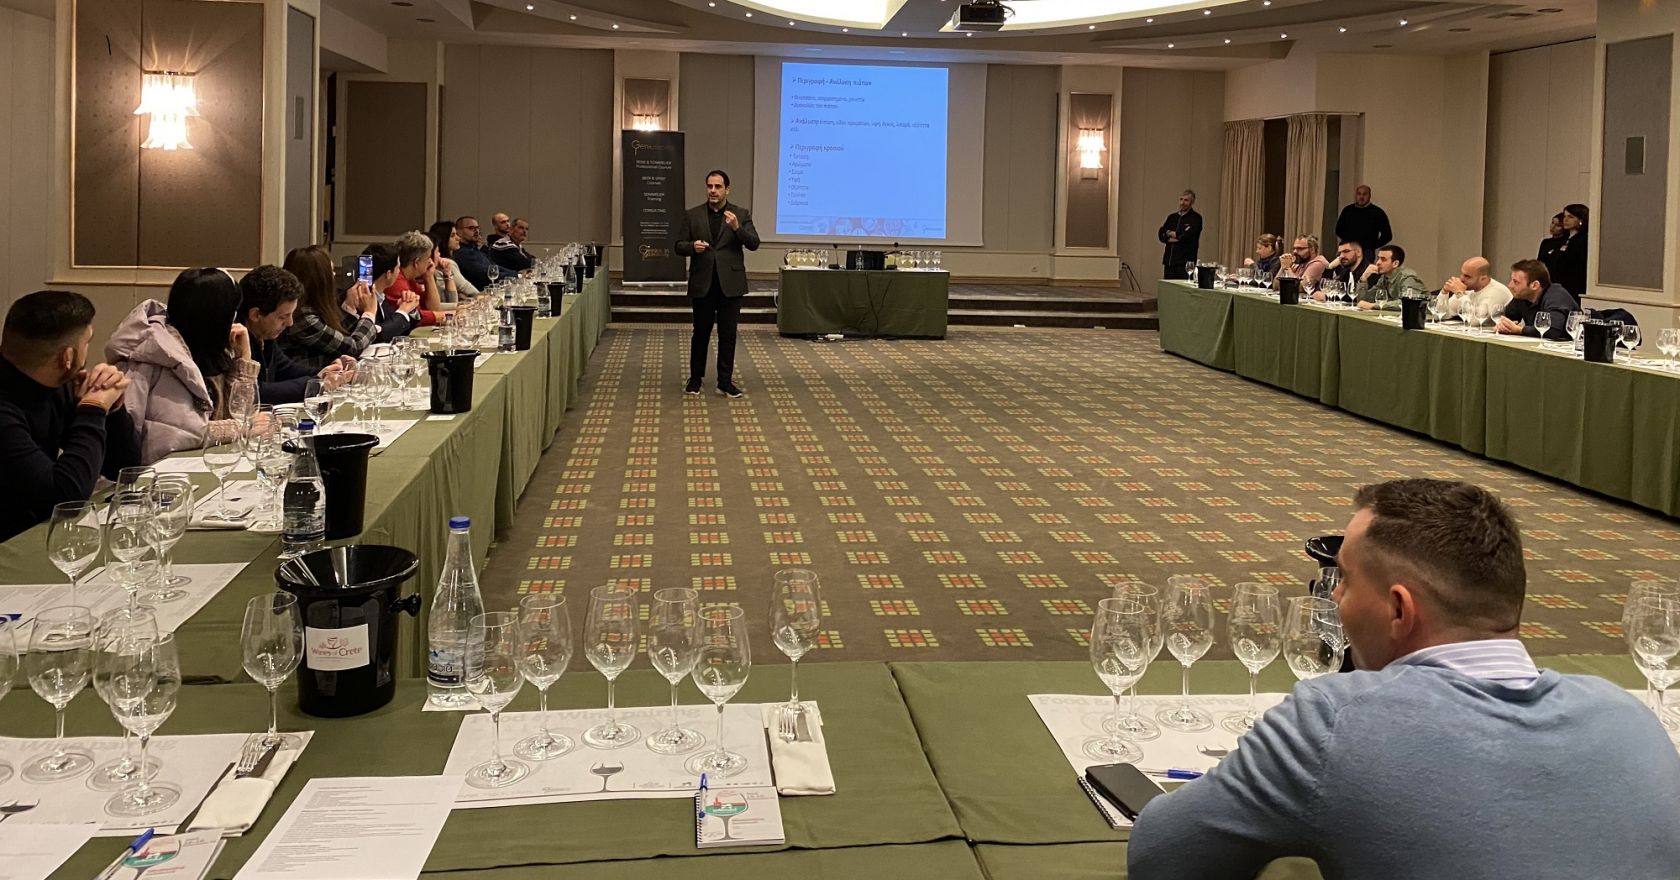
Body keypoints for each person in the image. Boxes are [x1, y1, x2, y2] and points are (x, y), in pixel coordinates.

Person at [1128, 478, 1680, 879]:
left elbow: (1162, 858)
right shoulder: (1630, 716)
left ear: (1399, 609)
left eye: (1344, 581)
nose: (1333, 597)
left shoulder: (1330, 722)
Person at [0, 291, 141, 541]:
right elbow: (65, 496)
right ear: (67, 357)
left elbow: (124, 467)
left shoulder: (53, 385)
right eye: (86, 343)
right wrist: (94, 407)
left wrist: (112, 409)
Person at [106, 268, 260, 464]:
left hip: (204, 464)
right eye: (233, 311)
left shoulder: (212, 349)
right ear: (218, 316)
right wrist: (241, 428)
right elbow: (174, 435)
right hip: (159, 474)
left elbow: (239, 414)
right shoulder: (155, 355)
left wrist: (243, 359)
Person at [674, 169, 759, 398]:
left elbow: (754, 243)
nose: (713, 190)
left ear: (727, 190)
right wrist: (692, 247)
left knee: (728, 335)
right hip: (703, 283)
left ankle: (725, 381)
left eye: (718, 186)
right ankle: (695, 379)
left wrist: (737, 228)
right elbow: (678, 245)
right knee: (700, 333)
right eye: (710, 186)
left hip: (730, 284)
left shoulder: (740, 214)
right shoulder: (692, 215)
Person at [238, 265, 354, 404]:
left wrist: (329, 372)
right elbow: (255, 392)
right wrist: (317, 384)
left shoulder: (264, 335)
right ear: (256, 315)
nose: (290, 323)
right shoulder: (236, 341)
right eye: (283, 317)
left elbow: (286, 368)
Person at [279, 245, 382, 372]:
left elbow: (340, 336)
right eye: (331, 271)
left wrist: (349, 307)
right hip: (308, 379)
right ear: (319, 279)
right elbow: (353, 346)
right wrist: (369, 313)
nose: (334, 275)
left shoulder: (313, 307)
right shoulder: (302, 317)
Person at [1495, 259, 1574, 340]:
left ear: (1535, 285)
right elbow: (1507, 318)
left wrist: (1520, 330)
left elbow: (1552, 329)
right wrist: (1502, 325)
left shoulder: (1556, 296)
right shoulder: (1522, 296)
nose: (1510, 285)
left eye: (1516, 282)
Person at [361, 243, 423, 343]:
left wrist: (409, 309)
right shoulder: (362, 297)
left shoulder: (380, 296)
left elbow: (398, 331)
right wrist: (403, 311)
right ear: (388, 274)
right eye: (398, 268)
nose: (399, 272)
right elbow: (378, 334)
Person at [386, 230, 444, 327]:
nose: (430, 262)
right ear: (416, 262)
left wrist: (429, 277)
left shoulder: (410, 279)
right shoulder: (396, 281)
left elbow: (433, 308)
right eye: (428, 258)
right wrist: (449, 316)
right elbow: (417, 318)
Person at [1539, 203, 1588, 301]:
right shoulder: (1561, 240)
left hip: (1572, 288)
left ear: (1580, 220)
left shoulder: (1583, 240)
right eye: (1565, 216)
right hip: (1554, 286)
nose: (1565, 220)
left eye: (1570, 217)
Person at [1356, 245, 1425, 311]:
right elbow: (1364, 301)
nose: (1377, 263)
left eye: (1383, 259)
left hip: (1424, 317)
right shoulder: (1384, 278)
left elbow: (1408, 303)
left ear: (1395, 263)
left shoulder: (1408, 278)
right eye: (1378, 258)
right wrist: (1363, 278)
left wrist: (1374, 305)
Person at [1440, 256, 1512, 318]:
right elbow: (1441, 315)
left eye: (1467, 276)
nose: (1461, 279)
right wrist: (1444, 292)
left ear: (1483, 279)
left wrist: (1460, 294)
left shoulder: (1497, 292)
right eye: (1462, 274)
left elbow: (1476, 320)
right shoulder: (1467, 288)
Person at [427, 221, 480, 303]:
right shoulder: (445, 263)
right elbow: (466, 288)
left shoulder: (448, 260)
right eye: (452, 235)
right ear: (443, 238)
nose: (458, 238)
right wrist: (482, 296)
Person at [1333, 184, 1392, 258]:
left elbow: (1387, 235)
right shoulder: (1347, 210)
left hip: (1366, 252)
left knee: (1365, 266)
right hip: (1347, 250)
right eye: (1359, 194)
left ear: (1369, 196)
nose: (1361, 197)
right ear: (1356, 196)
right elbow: (1338, 230)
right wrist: (1348, 241)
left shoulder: (1377, 213)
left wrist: (1371, 245)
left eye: (1364, 194)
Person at [1157, 190, 1202, 280]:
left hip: (1185, 264)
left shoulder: (1196, 218)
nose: (1182, 203)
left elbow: (1187, 236)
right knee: (1168, 287)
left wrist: (1172, 234)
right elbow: (1161, 234)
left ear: (1192, 202)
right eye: (1181, 199)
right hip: (1169, 262)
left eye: (1186, 200)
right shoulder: (1172, 217)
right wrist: (1172, 236)